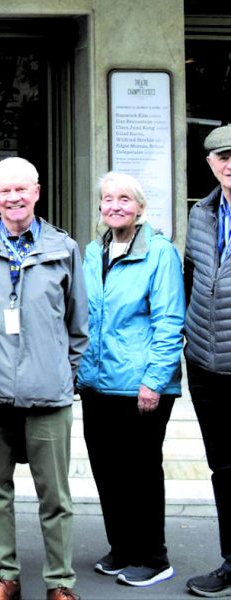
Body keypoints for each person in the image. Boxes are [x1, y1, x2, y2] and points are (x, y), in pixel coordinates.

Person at [0, 157, 87, 600]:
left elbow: (78, 325)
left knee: (56, 498)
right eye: (4, 191)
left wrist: (62, 373)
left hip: (49, 396)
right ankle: (5, 576)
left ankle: (60, 583)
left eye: (21, 189)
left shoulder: (63, 247)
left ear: (36, 192)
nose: (13, 198)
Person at [75, 172, 184, 588]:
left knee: (139, 471)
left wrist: (154, 380)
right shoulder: (93, 250)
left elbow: (169, 320)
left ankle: (153, 556)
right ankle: (122, 547)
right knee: (107, 468)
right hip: (97, 382)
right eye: (107, 199)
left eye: (124, 198)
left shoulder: (160, 253)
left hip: (140, 383)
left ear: (139, 207)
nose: (115, 205)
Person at [184, 124, 231, 597]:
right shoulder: (202, 214)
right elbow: (191, 275)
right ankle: (229, 561)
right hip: (205, 364)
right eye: (223, 157)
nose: (230, 164)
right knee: (224, 469)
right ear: (211, 164)